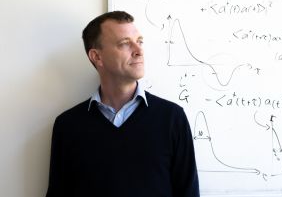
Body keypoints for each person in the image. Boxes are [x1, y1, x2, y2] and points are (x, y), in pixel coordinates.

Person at [46, 11, 200, 197]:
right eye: (125, 43)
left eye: (139, 41)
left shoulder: (172, 118)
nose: (139, 50)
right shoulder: (68, 125)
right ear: (97, 57)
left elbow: (188, 193)